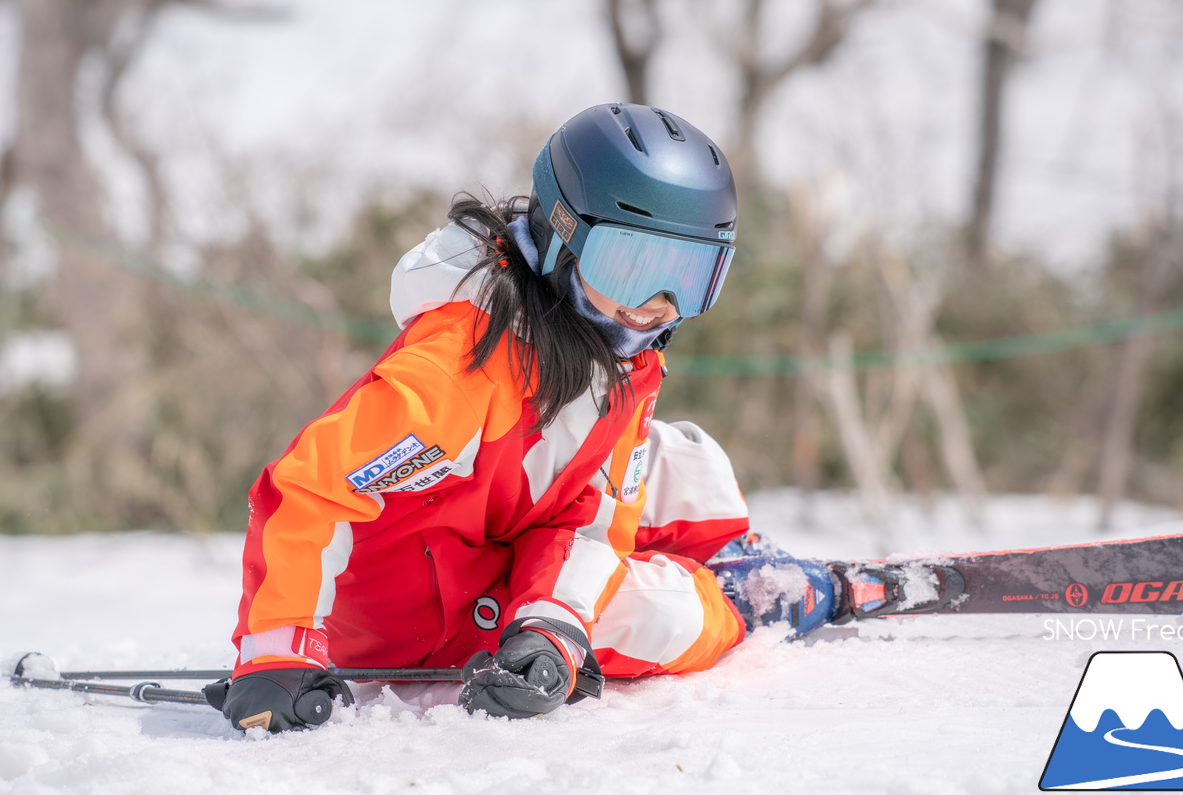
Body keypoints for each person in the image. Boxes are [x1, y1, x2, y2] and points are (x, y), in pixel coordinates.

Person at [212, 103, 782, 733]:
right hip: (413, 617)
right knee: (670, 617)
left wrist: (551, 626)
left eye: (691, 277)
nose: (657, 308)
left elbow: (589, 524)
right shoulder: (464, 363)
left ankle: (731, 553)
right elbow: (312, 487)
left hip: (494, 561)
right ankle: (744, 598)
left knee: (673, 457)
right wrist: (279, 648)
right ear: (564, 236)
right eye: (631, 267)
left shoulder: (620, 360)